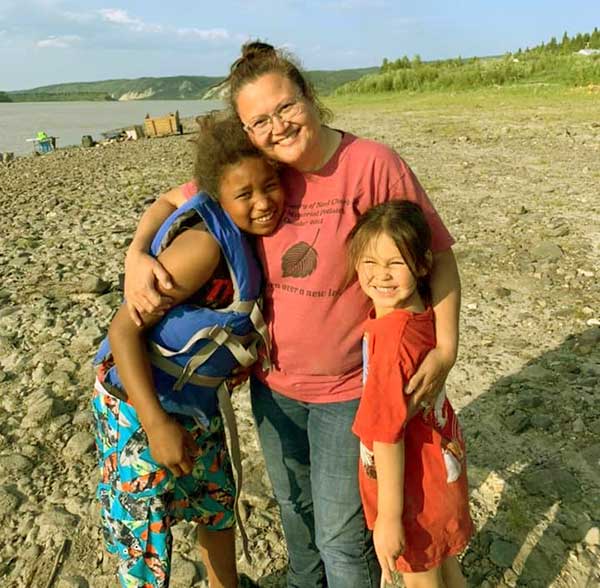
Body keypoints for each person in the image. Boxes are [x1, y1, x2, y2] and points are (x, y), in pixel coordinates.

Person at [122, 41, 461, 588]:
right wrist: (137, 254)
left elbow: (438, 256)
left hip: (348, 389)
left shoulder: (372, 165)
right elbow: (170, 202)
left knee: (340, 536)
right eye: (260, 121)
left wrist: (445, 347)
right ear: (246, 131)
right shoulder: (260, 173)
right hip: (273, 384)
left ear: (308, 95)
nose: (277, 127)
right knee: (295, 518)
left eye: (286, 108)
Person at [92, 112, 284, 588]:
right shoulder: (202, 246)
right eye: (244, 195)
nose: (262, 203)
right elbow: (122, 333)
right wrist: (156, 425)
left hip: (195, 404)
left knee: (215, 505)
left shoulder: (249, 234)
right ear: (218, 193)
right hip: (138, 406)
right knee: (145, 536)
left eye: (271, 185)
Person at [347, 200, 472, 588]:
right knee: (448, 568)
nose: (380, 276)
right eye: (368, 263)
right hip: (441, 477)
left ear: (421, 265)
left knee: (421, 579)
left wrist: (388, 518)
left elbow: (386, 434)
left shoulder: (390, 340)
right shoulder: (425, 315)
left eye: (394, 264)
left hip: (412, 496)